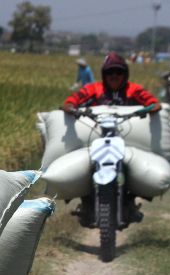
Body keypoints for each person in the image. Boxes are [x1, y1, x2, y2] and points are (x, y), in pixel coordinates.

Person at [61, 52, 161, 226]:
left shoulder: (134, 90)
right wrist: (70, 108)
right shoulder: (93, 89)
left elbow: (153, 102)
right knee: (85, 165)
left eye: (118, 72)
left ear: (125, 74)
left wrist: (151, 108)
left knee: (135, 165)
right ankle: (86, 201)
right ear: (103, 74)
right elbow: (71, 101)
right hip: (97, 139)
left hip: (127, 141)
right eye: (110, 72)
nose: (114, 76)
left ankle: (130, 201)